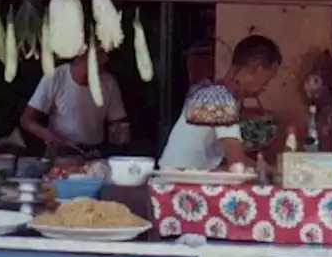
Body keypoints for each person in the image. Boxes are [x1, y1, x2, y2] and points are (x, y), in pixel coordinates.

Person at [159, 34, 282, 171]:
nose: (265, 87)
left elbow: (227, 156)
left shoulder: (217, 96)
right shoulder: (218, 99)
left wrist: (269, 170)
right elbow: (236, 162)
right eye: (268, 78)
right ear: (255, 67)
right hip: (176, 183)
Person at [20, 49, 129, 156]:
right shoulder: (56, 76)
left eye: (101, 67)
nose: (98, 72)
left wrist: (121, 135)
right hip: (60, 153)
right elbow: (27, 120)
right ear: (79, 59)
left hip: (94, 154)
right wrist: (49, 136)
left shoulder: (109, 82)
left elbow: (117, 123)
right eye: (94, 66)